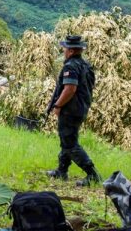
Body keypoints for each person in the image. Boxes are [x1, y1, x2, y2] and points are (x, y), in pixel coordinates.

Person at [46, 35, 101, 187]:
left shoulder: (70, 66)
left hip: (71, 110)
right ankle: (61, 171)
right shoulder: (85, 65)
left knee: (70, 143)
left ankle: (93, 174)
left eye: (65, 48)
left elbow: (70, 89)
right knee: (67, 140)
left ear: (70, 50)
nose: (63, 51)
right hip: (81, 107)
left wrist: (57, 105)